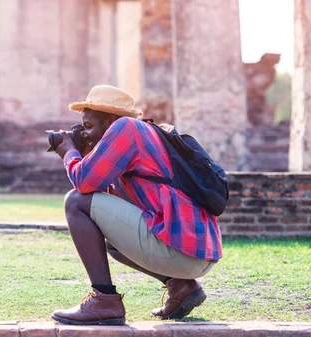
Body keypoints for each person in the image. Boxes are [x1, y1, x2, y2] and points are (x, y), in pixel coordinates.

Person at [50, 85, 222, 326]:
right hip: (198, 252)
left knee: (74, 202)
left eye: (88, 126)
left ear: (110, 120)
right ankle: (181, 286)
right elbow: (103, 207)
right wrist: (88, 151)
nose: (85, 134)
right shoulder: (144, 133)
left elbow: (83, 184)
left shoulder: (125, 127)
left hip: (184, 251)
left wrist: (69, 152)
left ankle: (104, 300)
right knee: (103, 233)